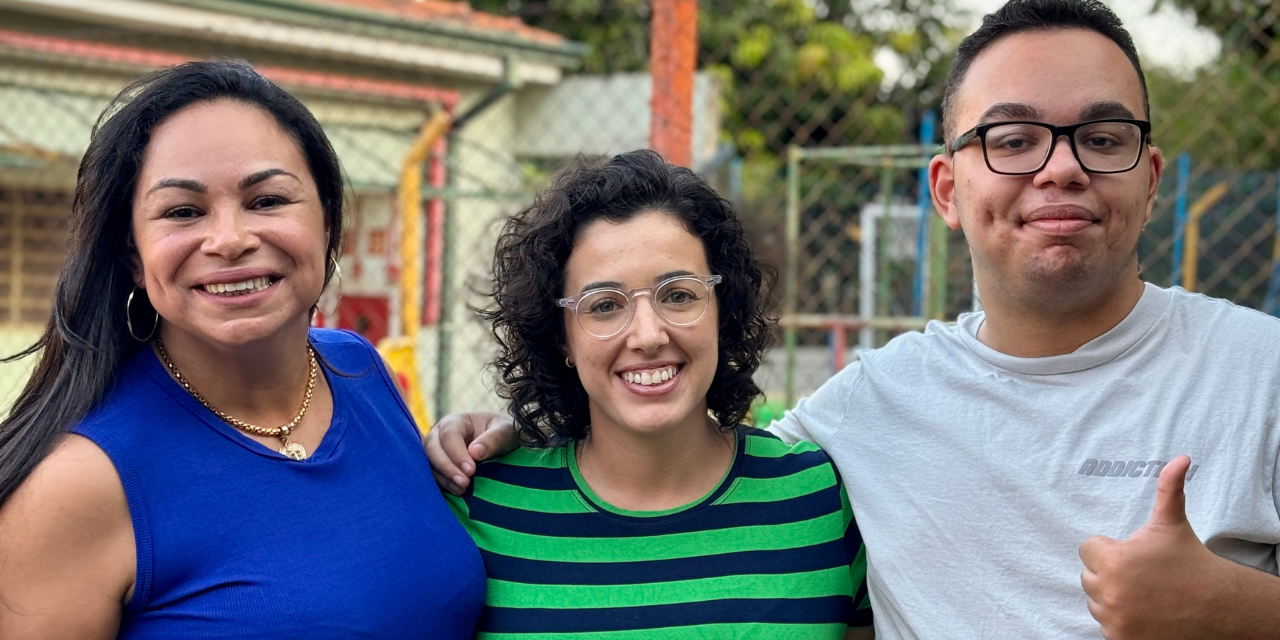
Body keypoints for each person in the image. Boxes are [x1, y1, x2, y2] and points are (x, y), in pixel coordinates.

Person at [427, 2, 1280, 639]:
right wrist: (516, 423)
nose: (1059, 167)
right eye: (1013, 139)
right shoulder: (867, 409)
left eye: (1101, 136)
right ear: (948, 189)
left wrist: (1238, 608)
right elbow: (669, 432)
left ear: (1152, 175)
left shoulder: (1262, 371)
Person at [0, 61, 485, 639]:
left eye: (268, 200)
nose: (230, 240)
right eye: (183, 211)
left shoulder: (360, 369)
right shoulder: (76, 486)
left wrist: (491, 457)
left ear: (328, 224)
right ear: (132, 254)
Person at [444, 150, 874, 639]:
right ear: (561, 335)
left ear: (721, 309)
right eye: (604, 305)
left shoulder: (815, 499)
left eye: (678, 295)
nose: (648, 335)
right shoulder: (483, 505)